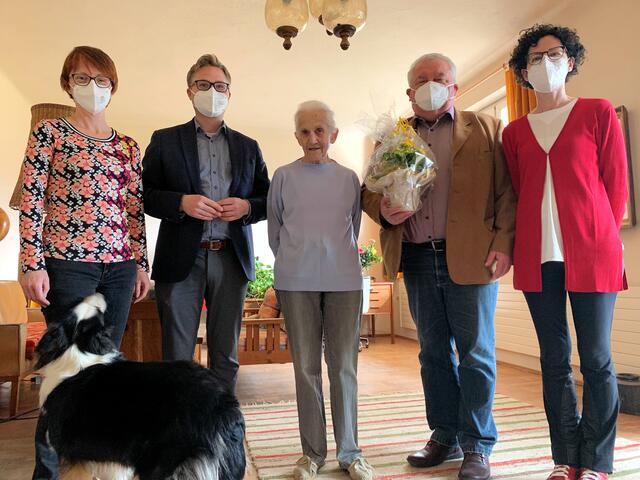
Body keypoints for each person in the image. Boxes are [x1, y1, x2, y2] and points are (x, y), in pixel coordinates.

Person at [361, 53, 516, 480]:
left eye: (440, 78)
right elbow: (368, 192)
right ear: (409, 93)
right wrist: (383, 209)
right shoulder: (392, 138)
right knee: (432, 354)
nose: (431, 85)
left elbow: (506, 192)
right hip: (414, 255)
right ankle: (443, 435)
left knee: (477, 355)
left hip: (472, 256)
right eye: (422, 80)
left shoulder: (484, 128)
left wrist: (504, 243)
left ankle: (478, 445)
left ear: (455, 86)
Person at [19, 45, 150, 480]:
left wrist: (141, 265)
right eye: (82, 78)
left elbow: (134, 210)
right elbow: (32, 200)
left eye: (101, 80)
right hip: (65, 266)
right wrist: (30, 262)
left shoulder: (128, 146)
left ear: (112, 87)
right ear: (67, 82)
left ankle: (100, 468)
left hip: (119, 268)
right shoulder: (49, 133)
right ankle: (49, 473)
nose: (92, 88)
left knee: (104, 373)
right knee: (67, 374)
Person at [502, 25, 627, 480]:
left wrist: (600, 240)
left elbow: (616, 187)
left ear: (570, 60)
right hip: (538, 257)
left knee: (596, 359)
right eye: (534, 58)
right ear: (523, 71)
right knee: (553, 360)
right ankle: (565, 456)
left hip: (594, 252)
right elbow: (516, 193)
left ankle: (597, 461)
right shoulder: (514, 132)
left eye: (552, 54)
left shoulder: (596, 113)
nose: (544, 64)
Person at [142, 53, 269, 393]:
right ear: (189, 91)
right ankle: (178, 431)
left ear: (229, 93)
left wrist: (245, 207)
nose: (212, 91)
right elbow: (145, 194)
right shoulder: (165, 140)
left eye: (220, 86)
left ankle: (220, 426)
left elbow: (267, 199)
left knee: (226, 354)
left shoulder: (248, 147)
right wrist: (180, 202)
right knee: (178, 355)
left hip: (232, 256)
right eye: (203, 84)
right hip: (181, 258)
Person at [267, 101, 375, 480]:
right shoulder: (282, 176)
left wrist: (330, 259)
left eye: (319, 130)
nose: (312, 138)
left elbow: (352, 227)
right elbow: (275, 233)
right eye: (305, 131)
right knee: (306, 368)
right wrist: (298, 263)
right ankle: (312, 454)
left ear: (333, 135)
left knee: (344, 367)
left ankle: (350, 452)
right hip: (296, 282)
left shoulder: (349, 178)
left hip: (344, 281)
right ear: (296, 136)